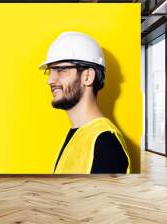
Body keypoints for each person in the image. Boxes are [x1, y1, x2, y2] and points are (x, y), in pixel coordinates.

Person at [39, 32, 131, 174]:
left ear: (88, 76)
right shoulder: (79, 134)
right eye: (50, 71)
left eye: (61, 70)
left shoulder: (104, 143)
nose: (50, 80)